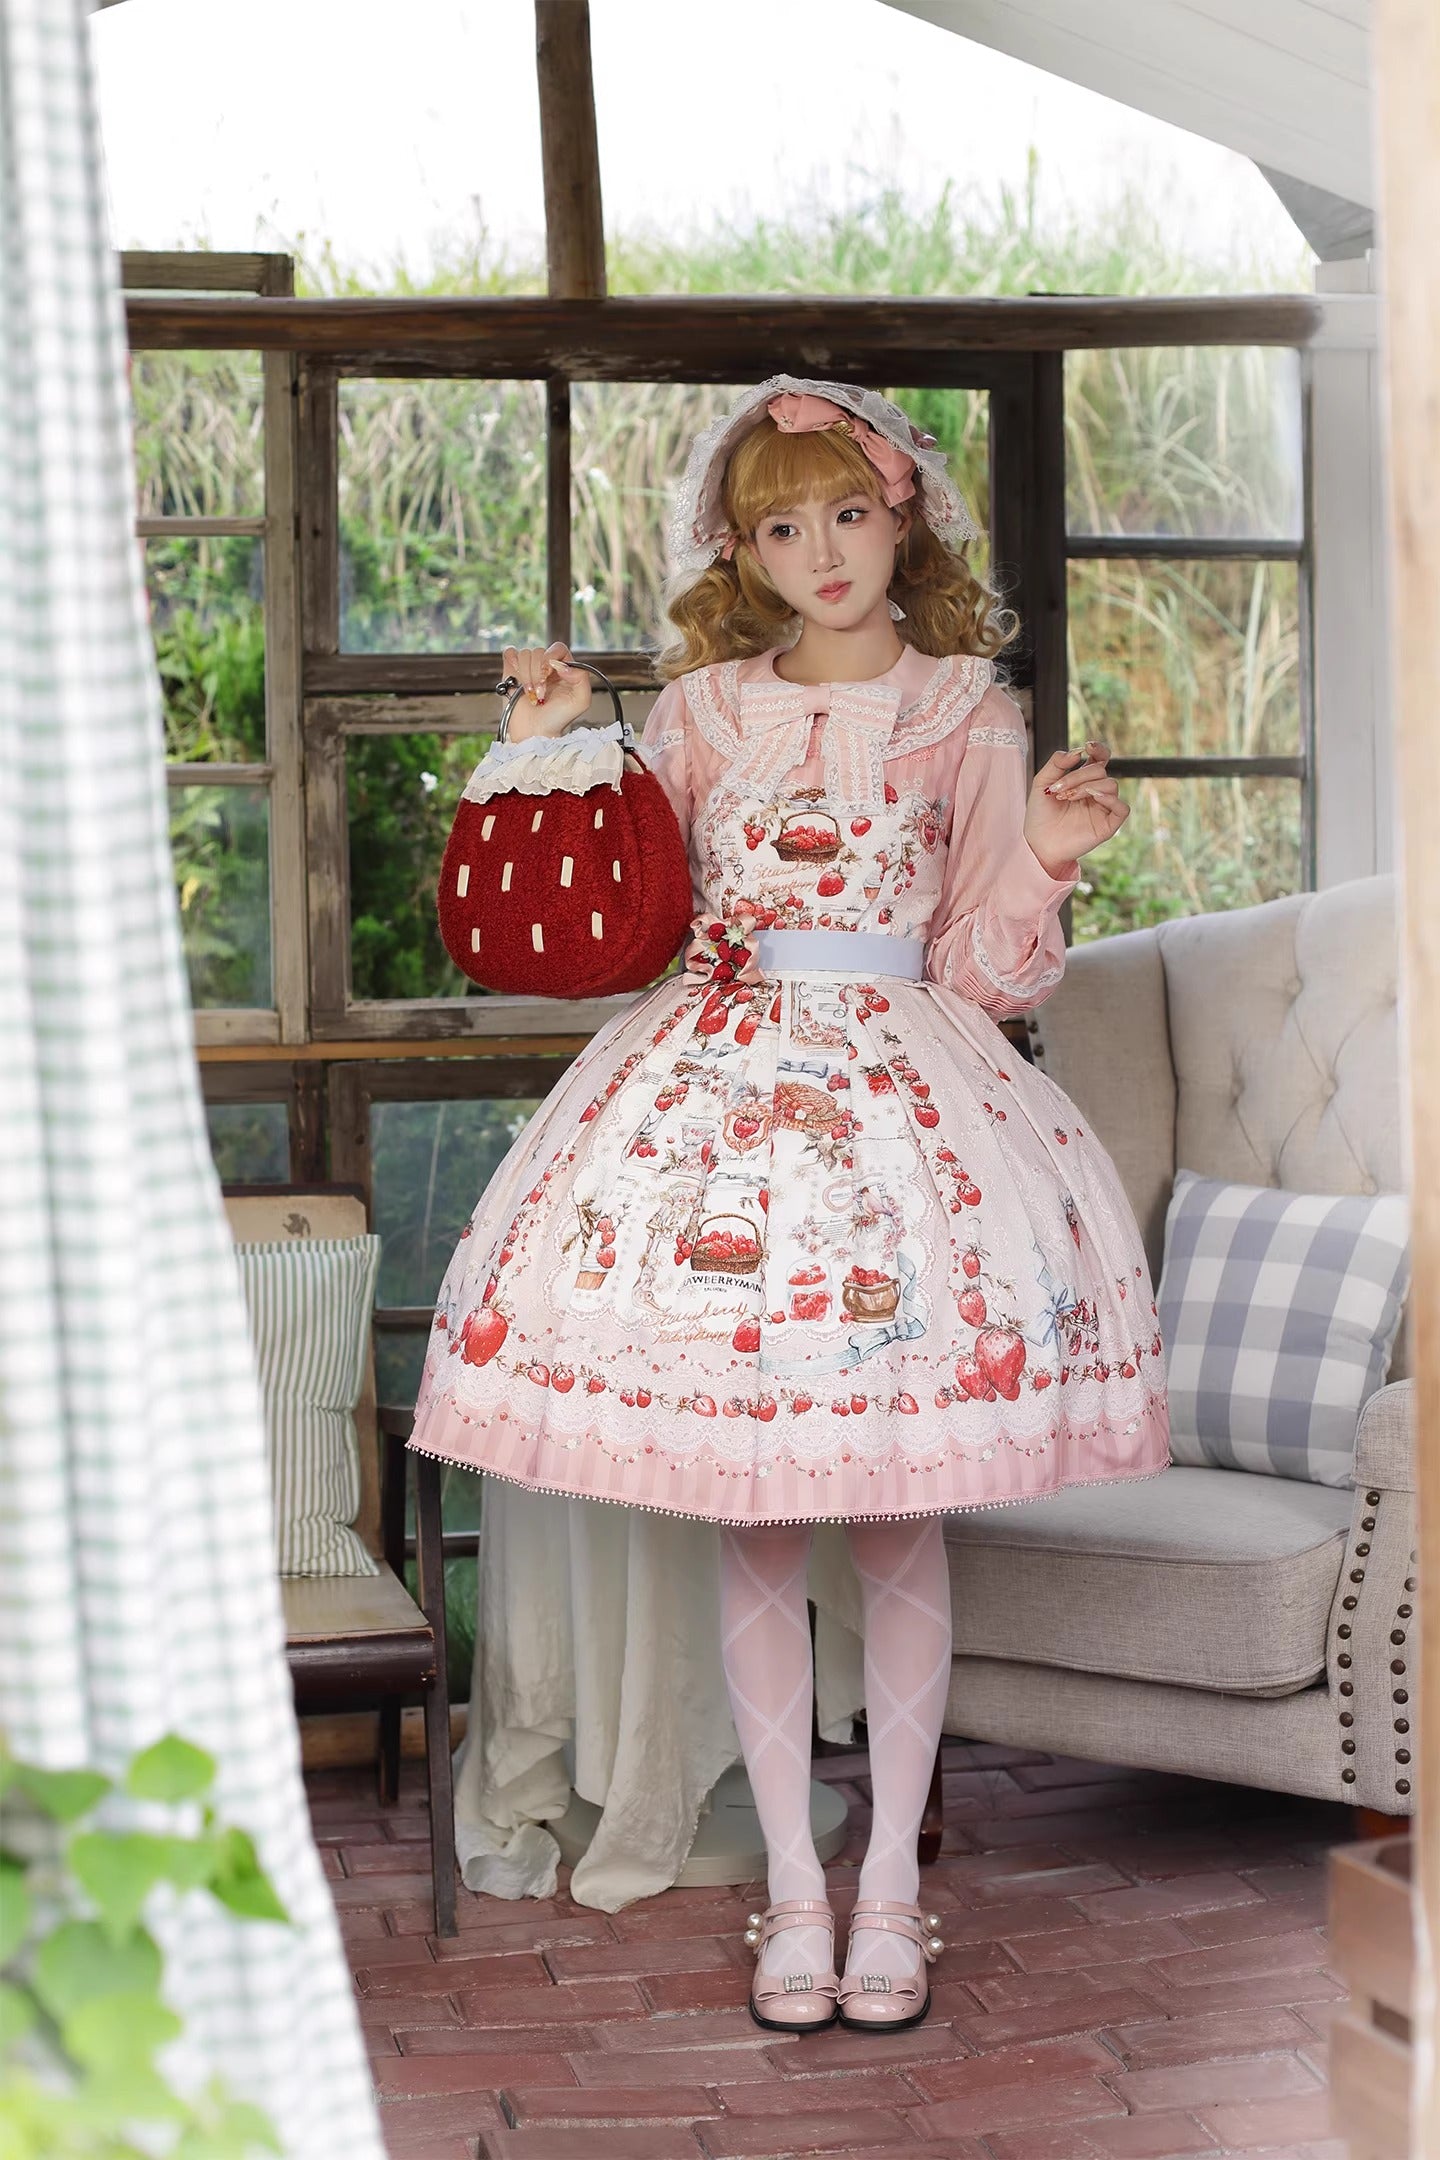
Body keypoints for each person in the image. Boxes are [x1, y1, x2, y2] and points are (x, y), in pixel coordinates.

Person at [408, 377, 1170, 2034]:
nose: (821, 552)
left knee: (897, 1521)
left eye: (848, 512)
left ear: (904, 519)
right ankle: (795, 1896)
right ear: (742, 552)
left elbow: (985, 972)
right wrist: (557, 746)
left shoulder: (968, 712)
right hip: (718, 1107)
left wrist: (1043, 852)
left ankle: (890, 1888)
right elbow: (625, 910)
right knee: (756, 1520)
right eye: (781, 526)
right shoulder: (697, 713)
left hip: (906, 1120)